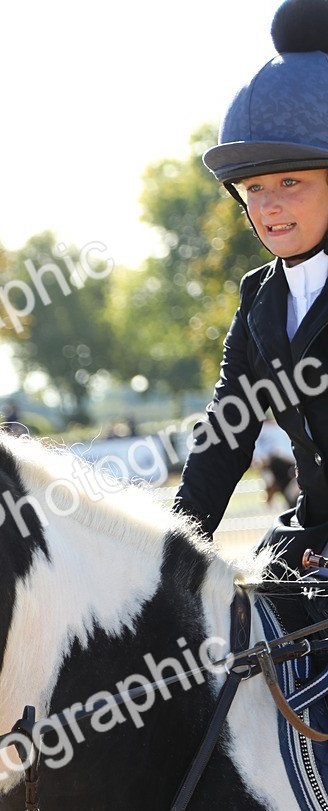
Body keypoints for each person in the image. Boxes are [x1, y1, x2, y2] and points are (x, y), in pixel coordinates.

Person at [173, 0, 328, 573]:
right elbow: (225, 433)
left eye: (290, 181)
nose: (269, 207)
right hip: (310, 537)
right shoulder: (257, 297)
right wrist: (171, 549)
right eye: (254, 188)